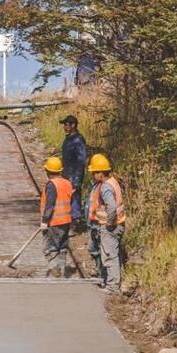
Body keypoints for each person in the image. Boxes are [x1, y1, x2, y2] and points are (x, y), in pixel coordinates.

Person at [87, 154, 126, 292]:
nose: (92, 175)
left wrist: (109, 222)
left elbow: (111, 206)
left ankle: (112, 286)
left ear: (100, 172)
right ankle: (110, 280)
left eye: (94, 172)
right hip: (118, 223)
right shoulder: (112, 182)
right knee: (113, 254)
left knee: (109, 255)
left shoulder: (105, 187)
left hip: (111, 226)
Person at [40, 157, 73, 277]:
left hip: (54, 221)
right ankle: (63, 271)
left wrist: (45, 220)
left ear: (47, 171)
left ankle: (55, 269)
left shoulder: (51, 185)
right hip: (66, 221)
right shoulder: (67, 183)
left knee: (50, 247)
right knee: (62, 247)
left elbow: (50, 204)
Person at [59, 115, 88, 228]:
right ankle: (69, 220)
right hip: (66, 173)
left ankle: (76, 222)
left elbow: (81, 160)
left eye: (66, 125)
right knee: (67, 198)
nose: (64, 127)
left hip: (74, 174)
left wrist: (77, 180)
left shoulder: (78, 140)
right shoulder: (68, 139)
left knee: (75, 197)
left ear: (73, 125)